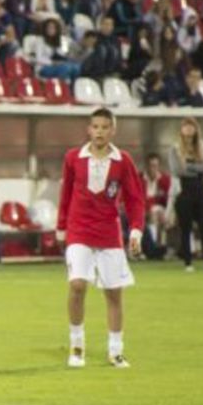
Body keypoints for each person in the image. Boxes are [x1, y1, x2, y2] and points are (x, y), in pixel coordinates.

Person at [56, 108, 145, 369]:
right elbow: (65, 194)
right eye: (95, 127)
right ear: (89, 129)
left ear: (113, 131)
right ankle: (76, 346)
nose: (99, 132)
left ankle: (116, 351)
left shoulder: (123, 161)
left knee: (113, 293)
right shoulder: (73, 157)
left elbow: (135, 199)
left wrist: (136, 230)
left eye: (105, 127)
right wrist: (61, 227)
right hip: (79, 230)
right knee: (77, 285)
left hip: (108, 232)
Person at [167, 118, 203, 272]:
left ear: (196, 129)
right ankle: (188, 263)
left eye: (191, 127)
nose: (189, 130)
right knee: (185, 229)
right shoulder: (175, 148)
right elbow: (177, 170)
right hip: (183, 192)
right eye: (186, 127)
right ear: (181, 130)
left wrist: (189, 167)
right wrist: (197, 168)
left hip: (201, 192)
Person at [142, 152, 171, 259]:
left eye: (156, 166)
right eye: (151, 166)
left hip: (161, 211)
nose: (153, 169)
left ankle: (161, 248)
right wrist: (151, 204)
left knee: (159, 213)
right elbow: (139, 199)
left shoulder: (165, 180)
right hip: (144, 210)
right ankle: (153, 248)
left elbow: (168, 199)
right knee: (154, 212)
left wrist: (166, 212)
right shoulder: (139, 178)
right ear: (146, 166)